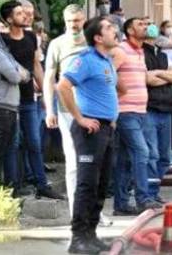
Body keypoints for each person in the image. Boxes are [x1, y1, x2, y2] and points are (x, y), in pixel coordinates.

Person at [57, 16, 119, 254]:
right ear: (97, 37)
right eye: (109, 28)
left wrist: (112, 119)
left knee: (101, 184)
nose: (114, 31)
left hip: (105, 128)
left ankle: (90, 234)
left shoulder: (106, 61)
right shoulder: (85, 60)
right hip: (89, 130)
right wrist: (80, 118)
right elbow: (63, 85)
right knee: (87, 184)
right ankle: (77, 238)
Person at [0, 0, 62, 199]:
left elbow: (36, 65)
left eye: (26, 13)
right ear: (9, 19)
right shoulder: (2, 40)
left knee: (34, 142)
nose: (26, 16)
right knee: (13, 143)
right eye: (20, 13)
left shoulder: (30, 37)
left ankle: (41, 183)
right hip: (9, 97)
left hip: (28, 97)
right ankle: (13, 185)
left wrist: (44, 92)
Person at [112, 17, 161, 215]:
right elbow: (107, 73)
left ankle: (121, 204)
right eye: (140, 24)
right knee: (142, 152)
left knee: (125, 159)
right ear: (130, 31)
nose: (146, 26)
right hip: (125, 112)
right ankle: (143, 198)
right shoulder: (121, 50)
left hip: (140, 111)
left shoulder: (140, 51)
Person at [44, 4, 89, 214]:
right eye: (70, 21)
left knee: (92, 161)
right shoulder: (57, 44)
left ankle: (92, 209)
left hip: (93, 108)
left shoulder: (93, 41)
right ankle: (76, 211)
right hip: (66, 110)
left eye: (78, 20)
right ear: (65, 21)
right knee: (72, 161)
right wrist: (49, 110)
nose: (74, 25)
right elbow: (48, 78)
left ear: (84, 19)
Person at [0, 16, 31, 196]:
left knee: (11, 149)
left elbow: (26, 74)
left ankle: (12, 188)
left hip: (10, 107)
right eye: (1, 28)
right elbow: (17, 77)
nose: (6, 31)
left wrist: (20, 73)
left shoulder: (5, 52)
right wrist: (20, 74)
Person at [143, 24, 172, 203]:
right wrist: (165, 77)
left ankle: (154, 190)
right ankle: (148, 194)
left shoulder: (164, 56)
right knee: (152, 155)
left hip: (166, 109)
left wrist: (158, 74)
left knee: (165, 158)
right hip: (149, 109)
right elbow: (147, 79)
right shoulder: (140, 54)